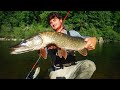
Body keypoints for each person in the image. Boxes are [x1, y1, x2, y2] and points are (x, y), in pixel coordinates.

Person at [43, 12, 96, 79]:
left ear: (61, 20)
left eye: (54, 20)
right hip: (58, 70)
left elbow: (88, 39)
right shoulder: (49, 37)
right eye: (50, 23)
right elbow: (43, 54)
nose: (52, 23)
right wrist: (43, 48)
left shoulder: (72, 33)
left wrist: (94, 39)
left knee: (89, 65)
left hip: (73, 67)